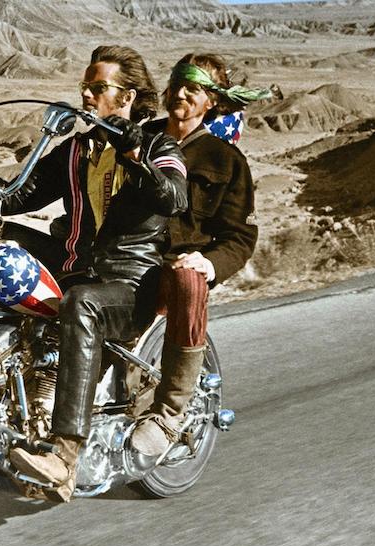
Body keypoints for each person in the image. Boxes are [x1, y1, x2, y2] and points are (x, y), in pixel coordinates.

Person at [0, 45, 188, 500]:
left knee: (81, 302)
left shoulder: (156, 144)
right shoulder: (75, 150)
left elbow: (173, 197)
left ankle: (65, 457)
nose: (87, 96)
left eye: (98, 88)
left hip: (128, 284)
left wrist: (133, 155)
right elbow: (13, 197)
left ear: (127, 96)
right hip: (74, 268)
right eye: (84, 88)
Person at [129, 54, 269, 455]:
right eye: (178, 84)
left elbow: (240, 236)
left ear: (212, 101)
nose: (182, 94)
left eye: (195, 88)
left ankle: (170, 412)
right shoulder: (141, 139)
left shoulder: (227, 161)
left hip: (175, 267)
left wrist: (208, 263)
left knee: (189, 278)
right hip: (127, 257)